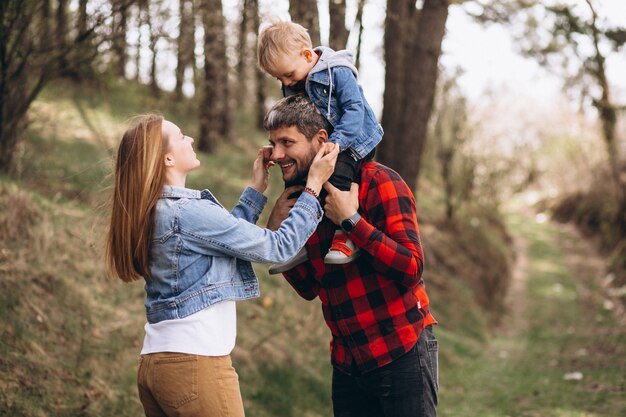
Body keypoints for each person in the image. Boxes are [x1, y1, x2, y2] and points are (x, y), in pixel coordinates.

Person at [105, 113, 338, 417]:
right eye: (179, 136)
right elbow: (278, 248)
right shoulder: (185, 212)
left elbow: (222, 241)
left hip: (157, 364)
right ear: (167, 160)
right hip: (195, 366)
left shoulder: (158, 211)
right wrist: (313, 187)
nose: (189, 138)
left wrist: (256, 190)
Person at [264, 96, 438, 417]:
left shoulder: (379, 182)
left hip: (401, 352)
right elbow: (310, 289)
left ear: (320, 141)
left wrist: (352, 222)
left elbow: (411, 268)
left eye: (286, 142)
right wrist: (279, 234)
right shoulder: (304, 202)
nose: (276, 155)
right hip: (347, 365)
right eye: (272, 144)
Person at [258, 20, 384, 268]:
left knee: (335, 175)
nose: (286, 82)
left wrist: (337, 143)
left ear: (307, 55)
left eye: (288, 74)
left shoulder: (337, 71)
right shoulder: (293, 79)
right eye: (279, 78)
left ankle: (345, 236)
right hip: (323, 141)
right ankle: (296, 240)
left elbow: (354, 109)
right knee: (296, 178)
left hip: (355, 140)